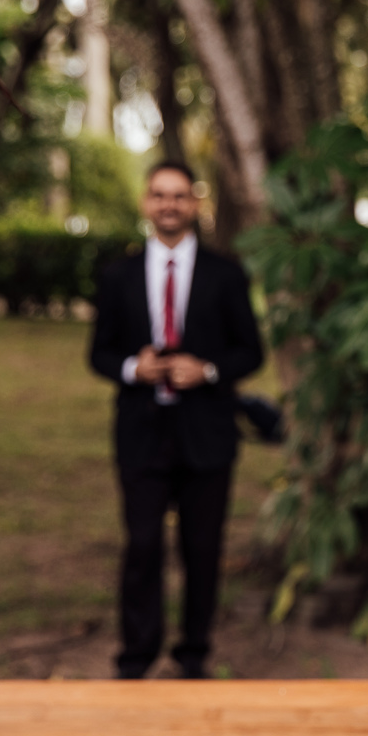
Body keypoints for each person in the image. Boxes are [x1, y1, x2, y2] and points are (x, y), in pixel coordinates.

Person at [89, 160, 263, 679]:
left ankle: (193, 654)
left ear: (195, 204)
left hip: (206, 433)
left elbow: (251, 352)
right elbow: (98, 354)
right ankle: (136, 655)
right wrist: (130, 368)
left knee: (202, 548)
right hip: (141, 431)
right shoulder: (118, 275)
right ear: (146, 203)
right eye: (160, 195)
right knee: (141, 545)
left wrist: (207, 370)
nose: (169, 204)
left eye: (180, 196)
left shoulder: (225, 274)